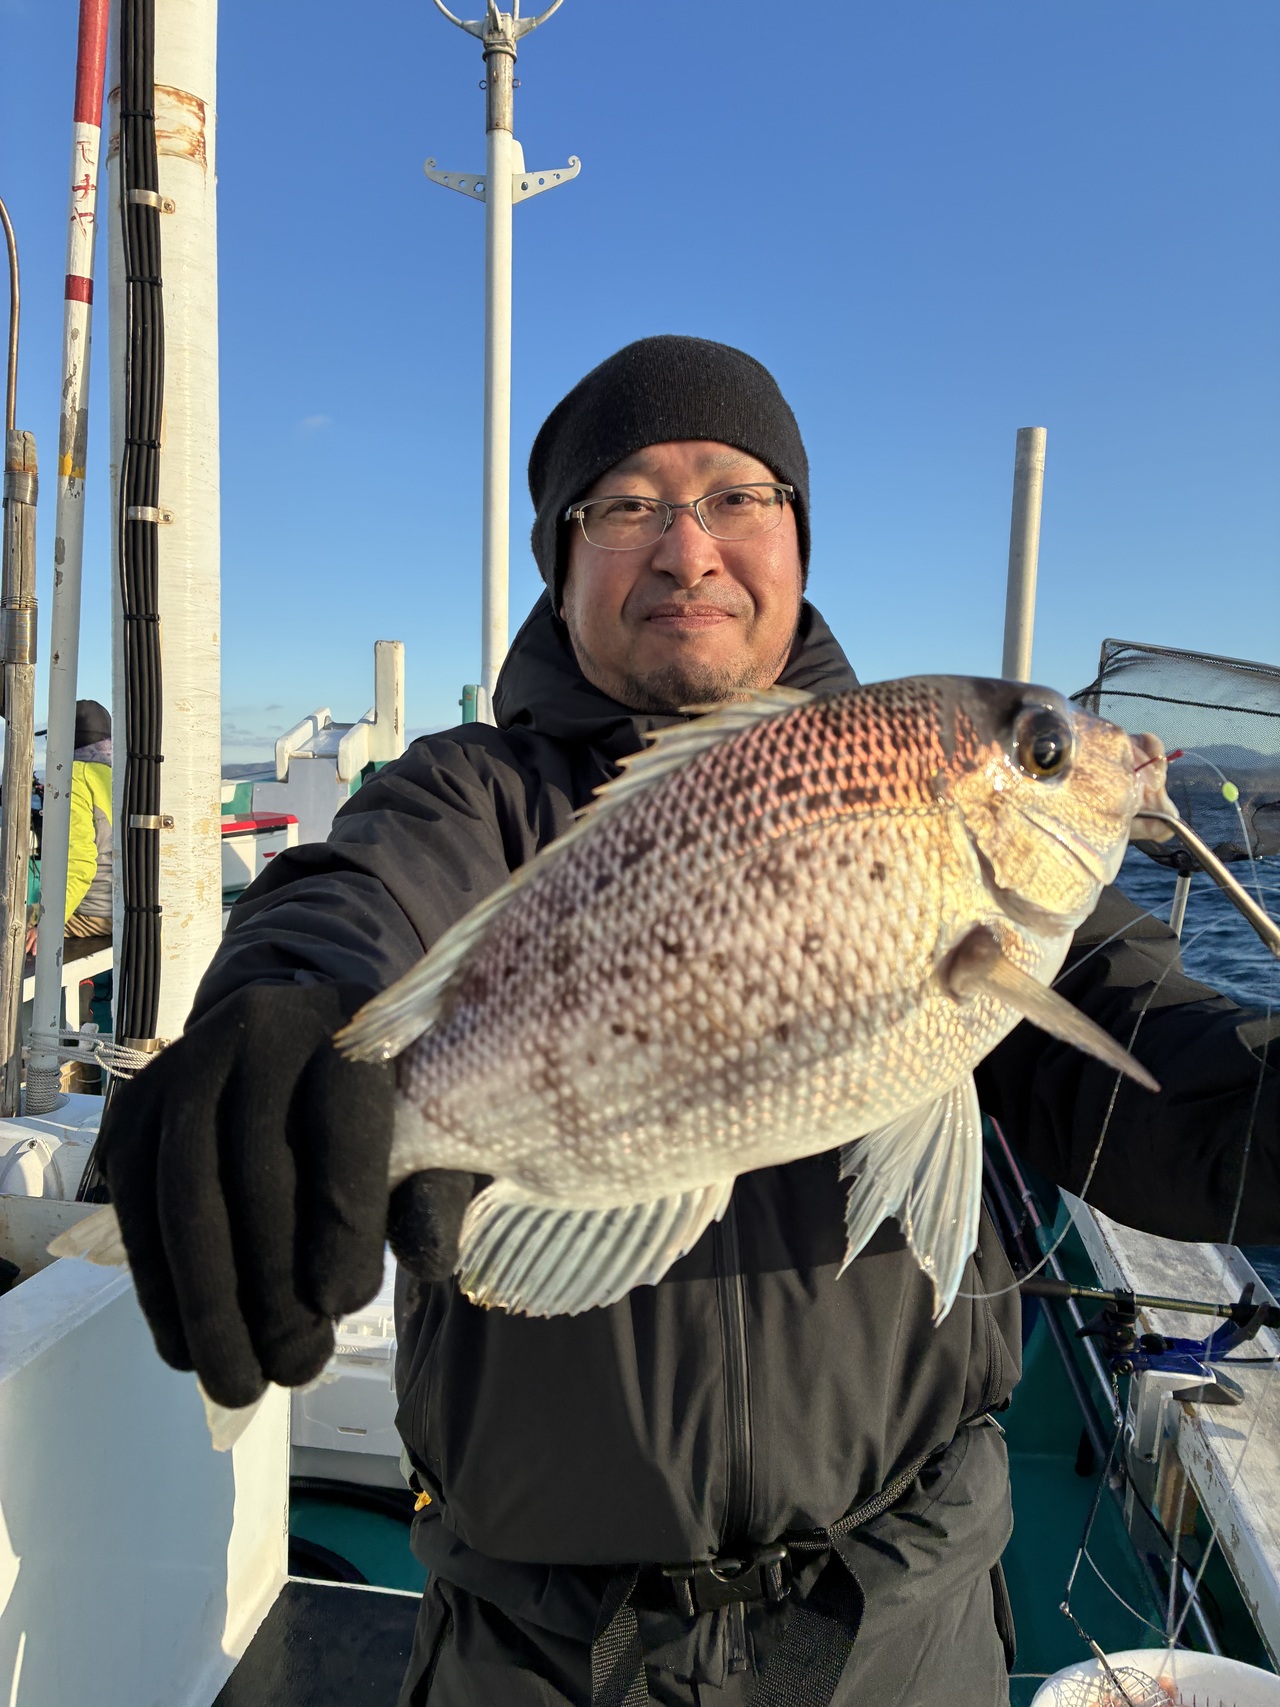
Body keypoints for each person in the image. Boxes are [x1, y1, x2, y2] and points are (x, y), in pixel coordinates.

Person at [94, 338, 1280, 1707]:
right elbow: (353, 901)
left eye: (736, 495)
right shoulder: (471, 796)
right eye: (626, 505)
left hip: (905, 1628)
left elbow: (1172, 1074)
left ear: (798, 537)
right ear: (562, 562)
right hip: (536, 1653)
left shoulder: (965, 855)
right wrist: (288, 1011)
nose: (686, 546)